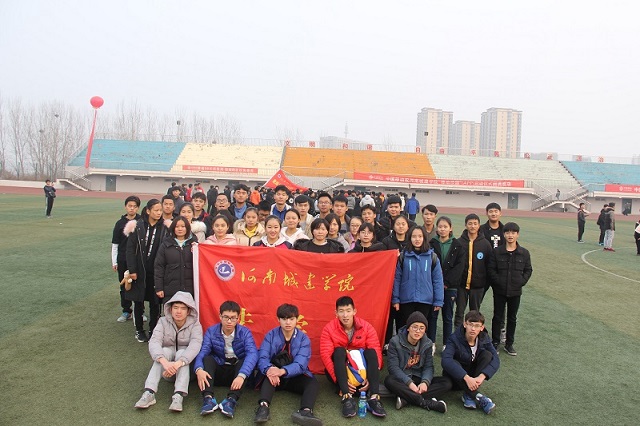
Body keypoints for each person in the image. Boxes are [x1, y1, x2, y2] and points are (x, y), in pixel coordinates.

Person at [254, 304, 323, 426]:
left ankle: (305, 411)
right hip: (274, 378)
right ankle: (263, 408)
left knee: (312, 383)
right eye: (284, 319)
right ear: (278, 319)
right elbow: (263, 357)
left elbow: (301, 364)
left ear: (297, 319)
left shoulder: (303, 339)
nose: (288, 322)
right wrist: (270, 369)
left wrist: (282, 371)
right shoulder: (271, 335)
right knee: (268, 376)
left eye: (291, 319)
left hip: (294, 377)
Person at [134, 292, 203, 412]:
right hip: (166, 371)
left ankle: (178, 395)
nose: (179, 311)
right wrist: (165, 363)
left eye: (183, 308)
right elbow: (154, 341)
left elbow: (195, 346)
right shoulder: (162, 321)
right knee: (164, 351)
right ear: (170, 309)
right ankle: (149, 392)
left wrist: (177, 364)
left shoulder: (195, 324)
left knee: (182, 353)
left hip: (186, 370)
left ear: (189, 311)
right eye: (175, 307)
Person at [320, 296, 387, 418]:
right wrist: (340, 381)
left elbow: (376, 351)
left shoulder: (366, 327)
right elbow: (326, 356)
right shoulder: (329, 329)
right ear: (336, 313)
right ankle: (347, 397)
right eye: (341, 311)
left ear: (354, 311)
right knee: (339, 351)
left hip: (362, 372)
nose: (345, 315)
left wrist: (370, 379)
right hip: (342, 372)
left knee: (371, 352)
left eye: (348, 310)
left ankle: (374, 397)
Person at [194, 300, 259, 418]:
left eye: (233, 318)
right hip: (219, 370)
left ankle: (231, 400)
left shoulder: (245, 332)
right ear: (220, 316)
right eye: (226, 317)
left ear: (238, 318)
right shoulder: (211, 331)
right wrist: (198, 369)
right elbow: (203, 352)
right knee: (207, 359)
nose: (229, 321)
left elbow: (253, 354)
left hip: (236, 374)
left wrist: (241, 376)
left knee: (245, 361)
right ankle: (208, 398)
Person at [384, 311, 449, 413]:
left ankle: (406, 399)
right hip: (403, 379)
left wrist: (425, 382)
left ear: (425, 330)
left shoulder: (427, 343)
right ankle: (424, 402)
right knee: (389, 380)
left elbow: (428, 366)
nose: (418, 331)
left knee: (446, 382)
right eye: (414, 327)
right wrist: (409, 383)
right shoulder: (395, 342)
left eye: (421, 328)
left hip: (419, 377)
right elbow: (393, 368)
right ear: (408, 328)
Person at [125, 199, 168, 342]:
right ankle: (139, 330)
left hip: (156, 272)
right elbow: (130, 250)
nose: (159, 213)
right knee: (138, 301)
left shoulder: (165, 228)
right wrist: (132, 269)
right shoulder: (137, 226)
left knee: (155, 302)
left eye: (160, 210)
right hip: (139, 271)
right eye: (156, 210)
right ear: (148, 211)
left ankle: (153, 330)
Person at [441, 310, 500, 415]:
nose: (473, 329)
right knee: (454, 362)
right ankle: (478, 396)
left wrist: (482, 376)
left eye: (477, 326)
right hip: (455, 378)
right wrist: (466, 378)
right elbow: (445, 360)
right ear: (465, 324)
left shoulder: (484, 338)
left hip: (474, 378)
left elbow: (496, 359)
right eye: (470, 325)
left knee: (487, 355)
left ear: (482, 328)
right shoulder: (454, 338)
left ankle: (468, 395)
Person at [488, 222, 533, 356]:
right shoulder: (497, 252)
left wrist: (521, 282)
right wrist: (498, 282)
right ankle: (495, 342)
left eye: (513, 233)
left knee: (512, 318)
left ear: (517, 234)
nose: (510, 235)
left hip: (515, 291)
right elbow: (491, 269)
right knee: (497, 316)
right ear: (504, 234)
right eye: (507, 232)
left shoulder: (524, 253)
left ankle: (509, 344)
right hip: (500, 291)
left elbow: (528, 270)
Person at [392, 226, 444, 330]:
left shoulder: (432, 257)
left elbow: (437, 280)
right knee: (405, 328)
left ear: (424, 238)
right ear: (410, 238)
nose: (417, 239)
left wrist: (438, 300)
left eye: (420, 236)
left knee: (421, 330)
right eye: (414, 236)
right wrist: (395, 299)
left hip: (425, 300)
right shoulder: (403, 256)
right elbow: (397, 279)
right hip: (406, 299)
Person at [429, 216, 465, 353]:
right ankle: (431, 343)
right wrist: (437, 284)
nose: (442, 229)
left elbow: (459, 267)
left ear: (450, 228)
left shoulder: (457, 245)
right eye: (440, 227)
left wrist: (446, 283)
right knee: (432, 316)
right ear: (437, 229)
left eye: (445, 227)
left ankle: (446, 344)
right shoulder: (431, 243)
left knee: (448, 316)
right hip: (433, 287)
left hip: (450, 288)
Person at [454, 214, 493, 327]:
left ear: (479, 225)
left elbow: (489, 265)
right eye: (470, 223)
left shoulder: (485, 244)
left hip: (477, 286)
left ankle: (473, 334)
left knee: (475, 313)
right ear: (466, 225)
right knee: (459, 312)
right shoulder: (459, 243)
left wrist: (484, 283)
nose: (472, 226)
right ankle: (458, 334)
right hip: (461, 286)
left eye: (475, 224)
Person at [112, 195, 141, 322]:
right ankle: (126, 311)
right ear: (125, 207)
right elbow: (115, 244)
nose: (132, 208)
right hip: (123, 259)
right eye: (130, 206)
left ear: (138, 208)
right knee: (124, 285)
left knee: (138, 285)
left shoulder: (141, 222)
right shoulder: (119, 223)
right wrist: (114, 261)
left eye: (134, 206)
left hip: (138, 259)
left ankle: (139, 312)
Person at [154, 216, 197, 301]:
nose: (180, 229)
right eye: (177, 227)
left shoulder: (194, 245)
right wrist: (159, 288)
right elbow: (159, 267)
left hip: (190, 289)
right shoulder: (165, 245)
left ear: (187, 228)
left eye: (183, 226)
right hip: (170, 289)